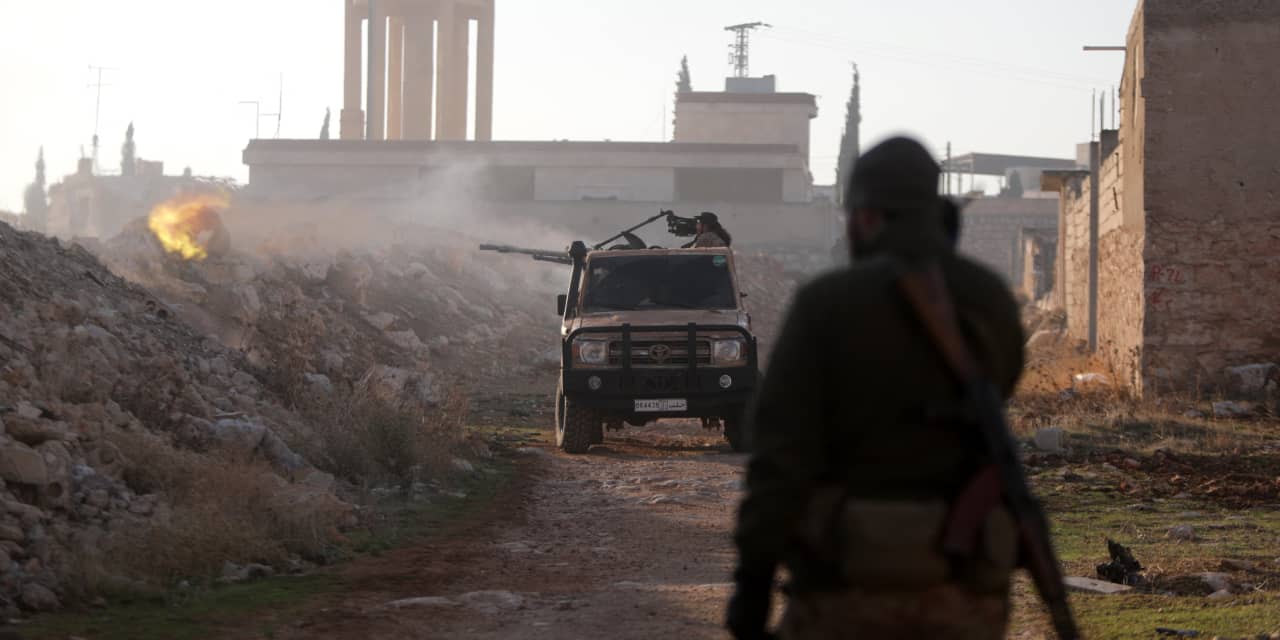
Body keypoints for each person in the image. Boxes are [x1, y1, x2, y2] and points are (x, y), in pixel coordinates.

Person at [725, 136, 1026, 640]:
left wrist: (751, 587)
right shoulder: (989, 298)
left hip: (846, 592)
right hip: (964, 591)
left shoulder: (826, 303)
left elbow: (780, 459)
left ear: (865, 217)